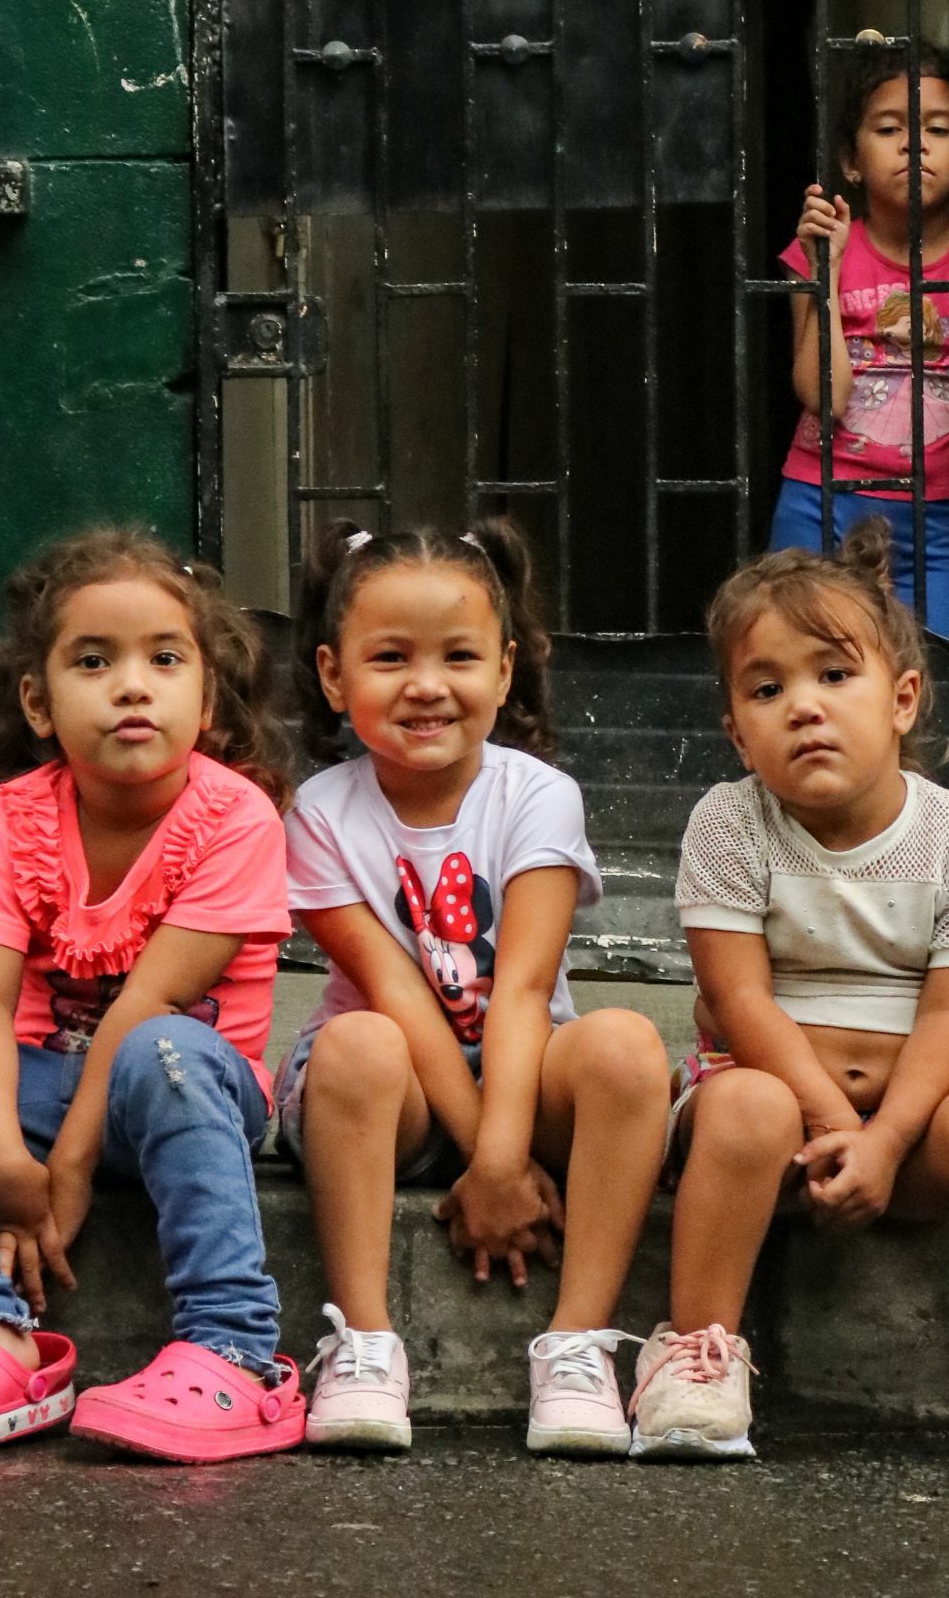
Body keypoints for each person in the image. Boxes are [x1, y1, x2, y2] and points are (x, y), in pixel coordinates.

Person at [634, 525, 949, 1468]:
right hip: (756, 1137)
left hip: (905, 1136)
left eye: (834, 676)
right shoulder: (727, 823)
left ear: (903, 697)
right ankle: (699, 1357)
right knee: (748, 1101)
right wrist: (833, 1116)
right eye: (766, 689)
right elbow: (740, 1003)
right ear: (735, 733)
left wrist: (883, 1141)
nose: (803, 708)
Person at [0, 529, 307, 1464]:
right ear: (38, 702)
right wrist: (3, 1160)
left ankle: (235, 1350)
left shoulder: (234, 818)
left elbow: (143, 1012)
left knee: (168, 1049)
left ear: (205, 699)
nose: (131, 685)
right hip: (42, 1096)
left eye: (164, 659)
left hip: (177, 1095)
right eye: (94, 660)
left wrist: (63, 1170)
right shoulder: (18, 816)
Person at [278, 520, 670, 1457]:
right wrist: (485, 1161)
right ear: (334, 676)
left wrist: (503, 1153)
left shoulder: (537, 793)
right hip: (385, 1098)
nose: (425, 684)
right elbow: (395, 993)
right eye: (389, 658)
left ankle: (576, 1347)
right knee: (358, 1040)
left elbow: (526, 987)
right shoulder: (319, 812)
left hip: (525, 1070)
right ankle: (364, 1344)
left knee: (623, 1044)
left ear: (503, 671)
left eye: (458, 656)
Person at [774, 42, 949, 643]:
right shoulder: (818, 251)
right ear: (851, 158)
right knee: (808, 663)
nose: (914, 144)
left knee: (938, 681)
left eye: (938, 129)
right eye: (890, 127)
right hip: (818, 505)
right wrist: (829, 271)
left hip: (932, 524)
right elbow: (826, 397)